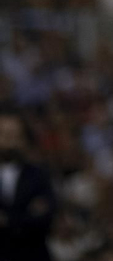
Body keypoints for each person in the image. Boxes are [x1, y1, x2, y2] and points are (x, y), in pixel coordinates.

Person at [0, 109, 55, 261]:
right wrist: (24, 215)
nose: (9, 141)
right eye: (3, 134)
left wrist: (7, 220)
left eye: (14, 135)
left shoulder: (38, 175)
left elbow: (44, 218)